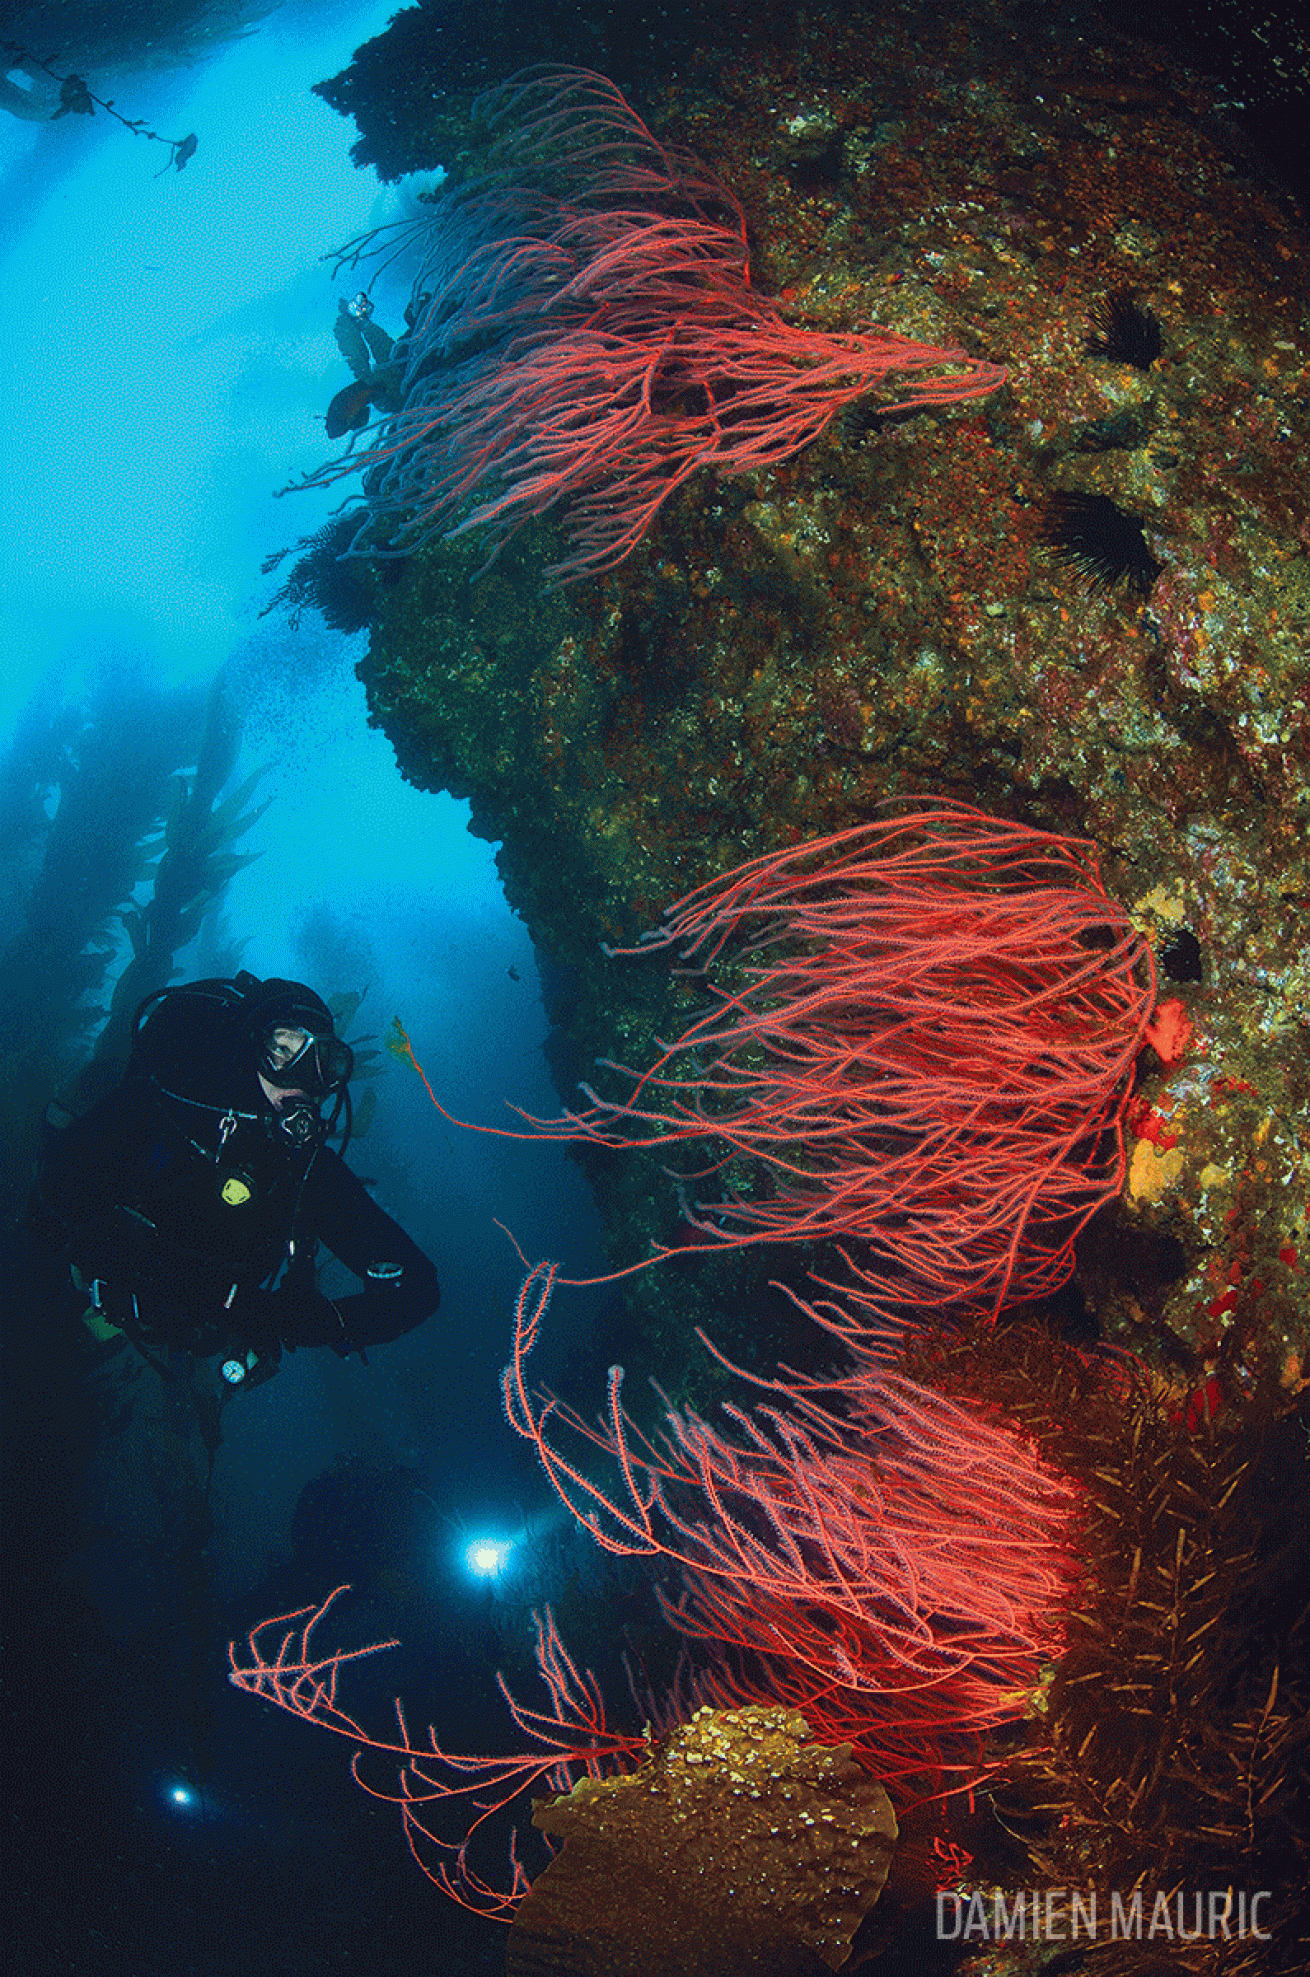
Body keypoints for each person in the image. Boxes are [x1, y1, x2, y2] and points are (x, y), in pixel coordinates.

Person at [29, 974, 439, 1389]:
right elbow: (48, 1211)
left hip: (155, 1335)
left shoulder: (306, 1169)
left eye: (325, 1063)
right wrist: (229, 1303)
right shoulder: (162, 1109)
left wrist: (318, 1321)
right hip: (59, 1286)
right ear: (249, 1048)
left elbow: (417, 1290)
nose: (303, 1078)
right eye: (283, 1049)